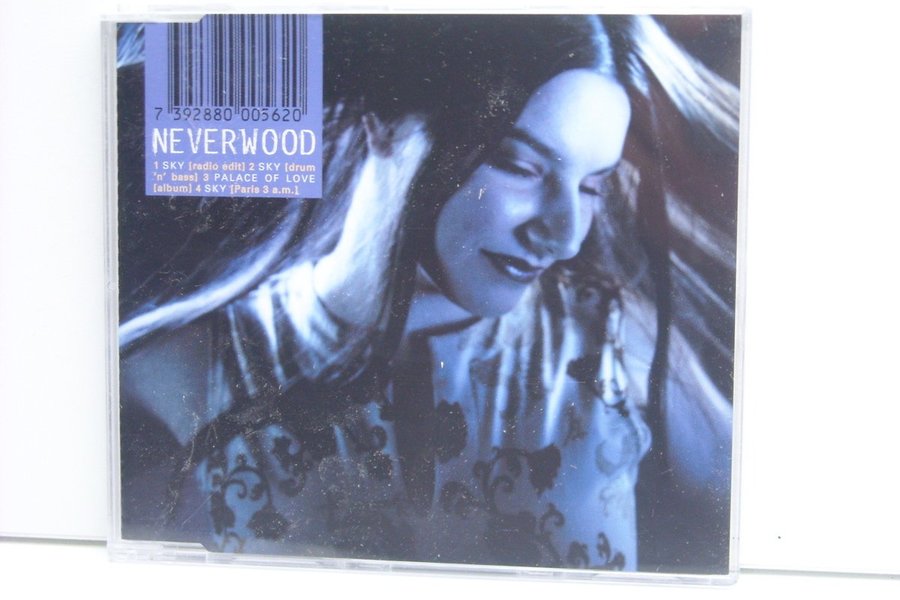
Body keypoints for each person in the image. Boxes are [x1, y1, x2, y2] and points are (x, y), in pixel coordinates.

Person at [116, 14, 739, 574]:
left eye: (590, 187)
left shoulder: (612, 340)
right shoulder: (175, 372)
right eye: (520, 166)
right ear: (385, 127)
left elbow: (755, 524)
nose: (565, 236)